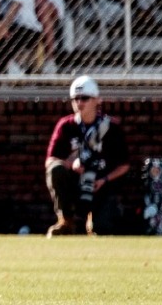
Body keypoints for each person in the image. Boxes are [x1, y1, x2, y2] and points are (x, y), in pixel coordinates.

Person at [44, 76, 131, 235]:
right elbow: (50, 160)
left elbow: (124, 165)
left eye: (84, 98)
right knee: (55, 169)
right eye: (75, 99)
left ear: (97, 100)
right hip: (75, 185)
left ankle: (96, 218)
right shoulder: (66, 125)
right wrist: (72, 163)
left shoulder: (111, 127)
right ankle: (66, 220)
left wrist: (104, 180)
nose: (79, 103)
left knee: (102, 229)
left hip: (101, 186)